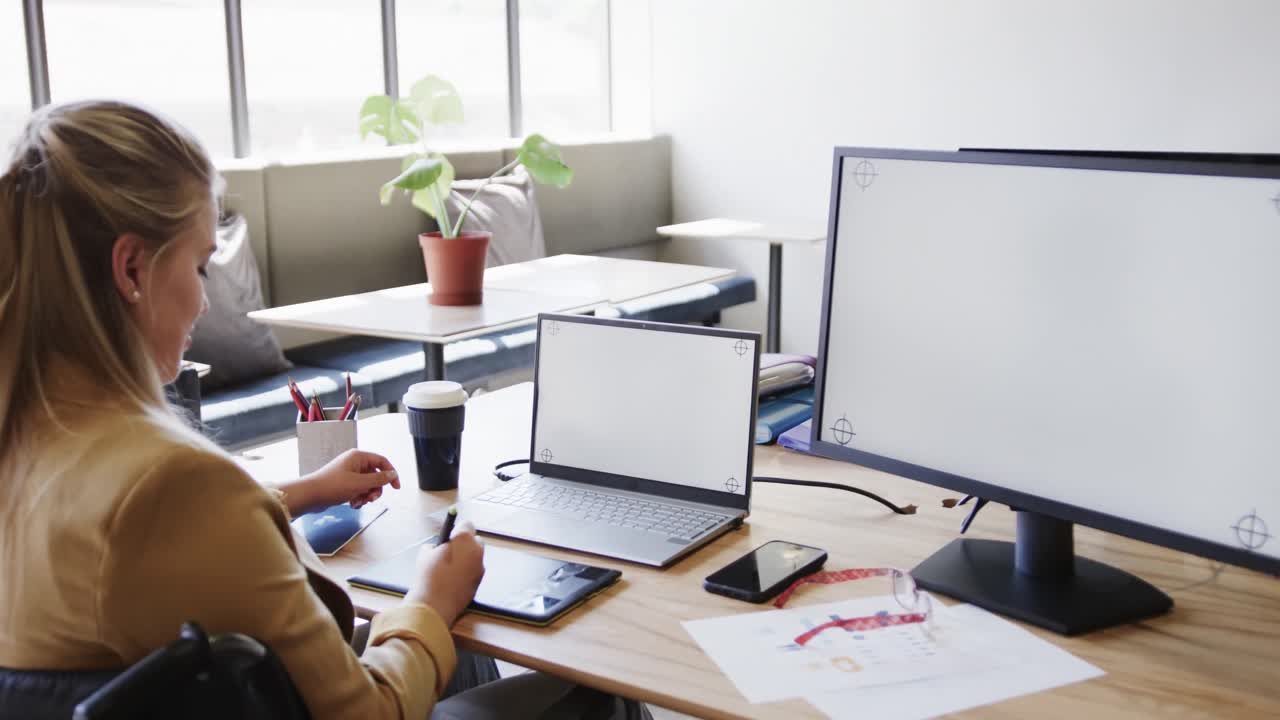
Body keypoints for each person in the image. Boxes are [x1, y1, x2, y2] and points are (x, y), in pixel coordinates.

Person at [0, 100, 648, 720]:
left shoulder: (32, 449)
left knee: (457, 648)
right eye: (200, 267)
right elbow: (371, 711)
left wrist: (301, 493)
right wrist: (430, 599)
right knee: (594, 696)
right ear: (131, 269)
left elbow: (153, 541)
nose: (204, 301)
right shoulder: (173, 481)